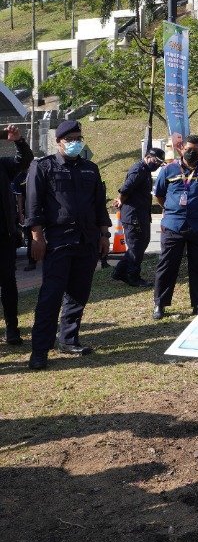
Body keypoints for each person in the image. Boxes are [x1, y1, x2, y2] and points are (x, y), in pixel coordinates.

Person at [25, 120, 110, 370]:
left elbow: (98, 205)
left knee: (79, 292)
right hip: (58, 241)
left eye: (78, 137)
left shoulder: (90, 169)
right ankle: (40, 350)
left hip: (87, 240)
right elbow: (33, 206)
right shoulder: (43, 167)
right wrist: (37, 237)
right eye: (70, 138)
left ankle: (68, 338)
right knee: (50, 296)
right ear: (59, 141)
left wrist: (104, 235)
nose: (76, 142)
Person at [152, 134, 198, 320]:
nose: (191, 153)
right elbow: (159, 194)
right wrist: (169, 210)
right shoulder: (169, 170)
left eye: (195, 150)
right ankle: (160, 304)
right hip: (173, 225)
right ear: (181, 149)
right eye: (188, 149)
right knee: (167, 266)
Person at [111, 148, 165, 287]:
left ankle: (120, 271)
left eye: (160, 163)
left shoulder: (145, 170)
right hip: (133, 215)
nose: (158, 165)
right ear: (148, 157)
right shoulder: (139, 169)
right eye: (156, 161)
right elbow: (127, 187)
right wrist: (120, 199)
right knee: (137, 245)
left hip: (140, 213)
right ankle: (133, 276)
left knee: (141, 243)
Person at [0, 125, 33, 345]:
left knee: (8, 283)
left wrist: (19, 141)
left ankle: (12, 328)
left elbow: (25, 161)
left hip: (3, 237)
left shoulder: (3, 165)